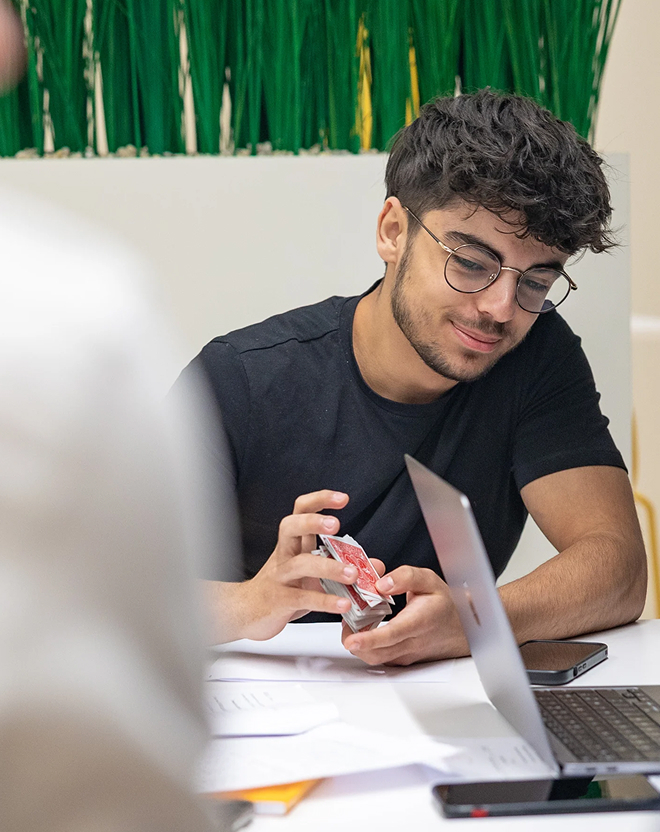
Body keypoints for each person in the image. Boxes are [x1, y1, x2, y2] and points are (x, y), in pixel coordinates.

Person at [187, 90, 647, 666]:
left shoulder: (537, 357)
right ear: (393, 231)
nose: (501, 308)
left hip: (437, 719)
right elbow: (98, 596)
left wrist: (476, 618)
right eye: (472, 264)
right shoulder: (239, 379)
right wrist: (255, 602)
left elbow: (618, 567)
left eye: (536, 282)